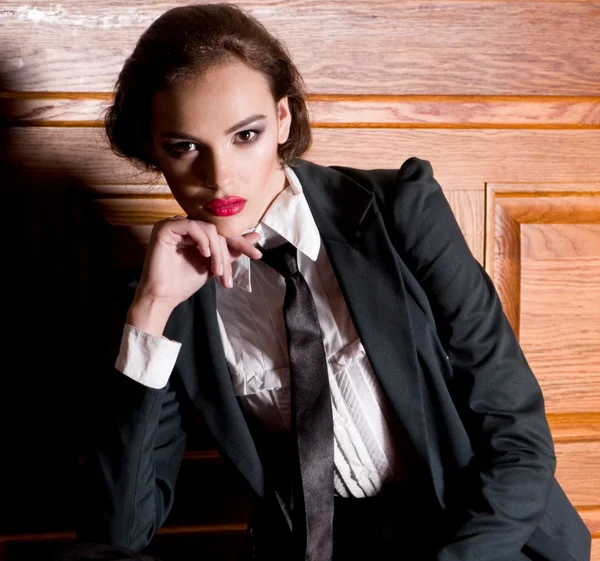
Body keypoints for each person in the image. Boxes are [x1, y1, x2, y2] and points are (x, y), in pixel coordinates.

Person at [72, 3, 591, 561]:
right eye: (184, 147)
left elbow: (518, 442)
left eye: (245, 135)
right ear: (154, 149)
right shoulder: (172, 300)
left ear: (284, 119)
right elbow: (120, 531)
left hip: (485, 542)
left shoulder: (400, 214)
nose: (219, 176)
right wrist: (151, 310)